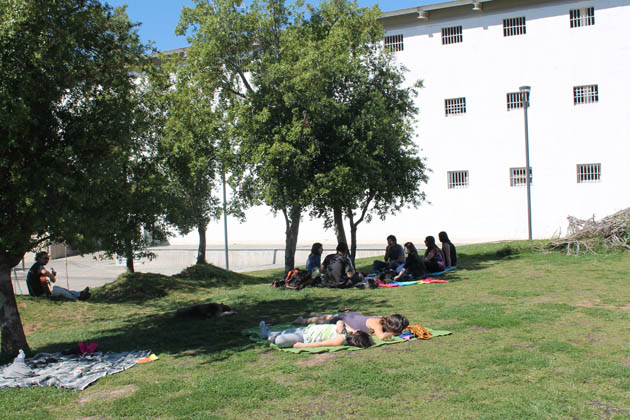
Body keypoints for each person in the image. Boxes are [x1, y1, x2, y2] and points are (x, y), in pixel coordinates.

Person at [259, 319, 373, 349]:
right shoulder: (348, 330)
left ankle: (270, 335)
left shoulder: (340, 339)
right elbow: (341, 321)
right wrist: (339, 325)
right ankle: (268, 333)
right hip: (307, 329)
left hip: (304, 338)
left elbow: (321, 344)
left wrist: (303, 345)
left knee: (279, 340)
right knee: (282, 333)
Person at [293, 312, 409, 340]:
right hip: (348, 321)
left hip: (353, 316)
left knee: (331, 317)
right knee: (324, 322)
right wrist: (395, 333)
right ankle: (303, 320)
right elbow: (381, 336)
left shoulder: (381, 319)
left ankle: (316, 314)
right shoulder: (377, 324)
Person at [26, 251, 90, 301]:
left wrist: (51, 276)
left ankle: (79, 294)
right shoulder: (38, 267)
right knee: (60, 291)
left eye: (48, 258)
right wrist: (51, 276)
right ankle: (77, 299)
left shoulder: (36, 266)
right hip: (39, 295)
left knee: (57, 288)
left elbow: (43, 280)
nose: (47, 260)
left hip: (38, 292)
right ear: (39, 258)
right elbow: (44, 272)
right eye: (45, 258)